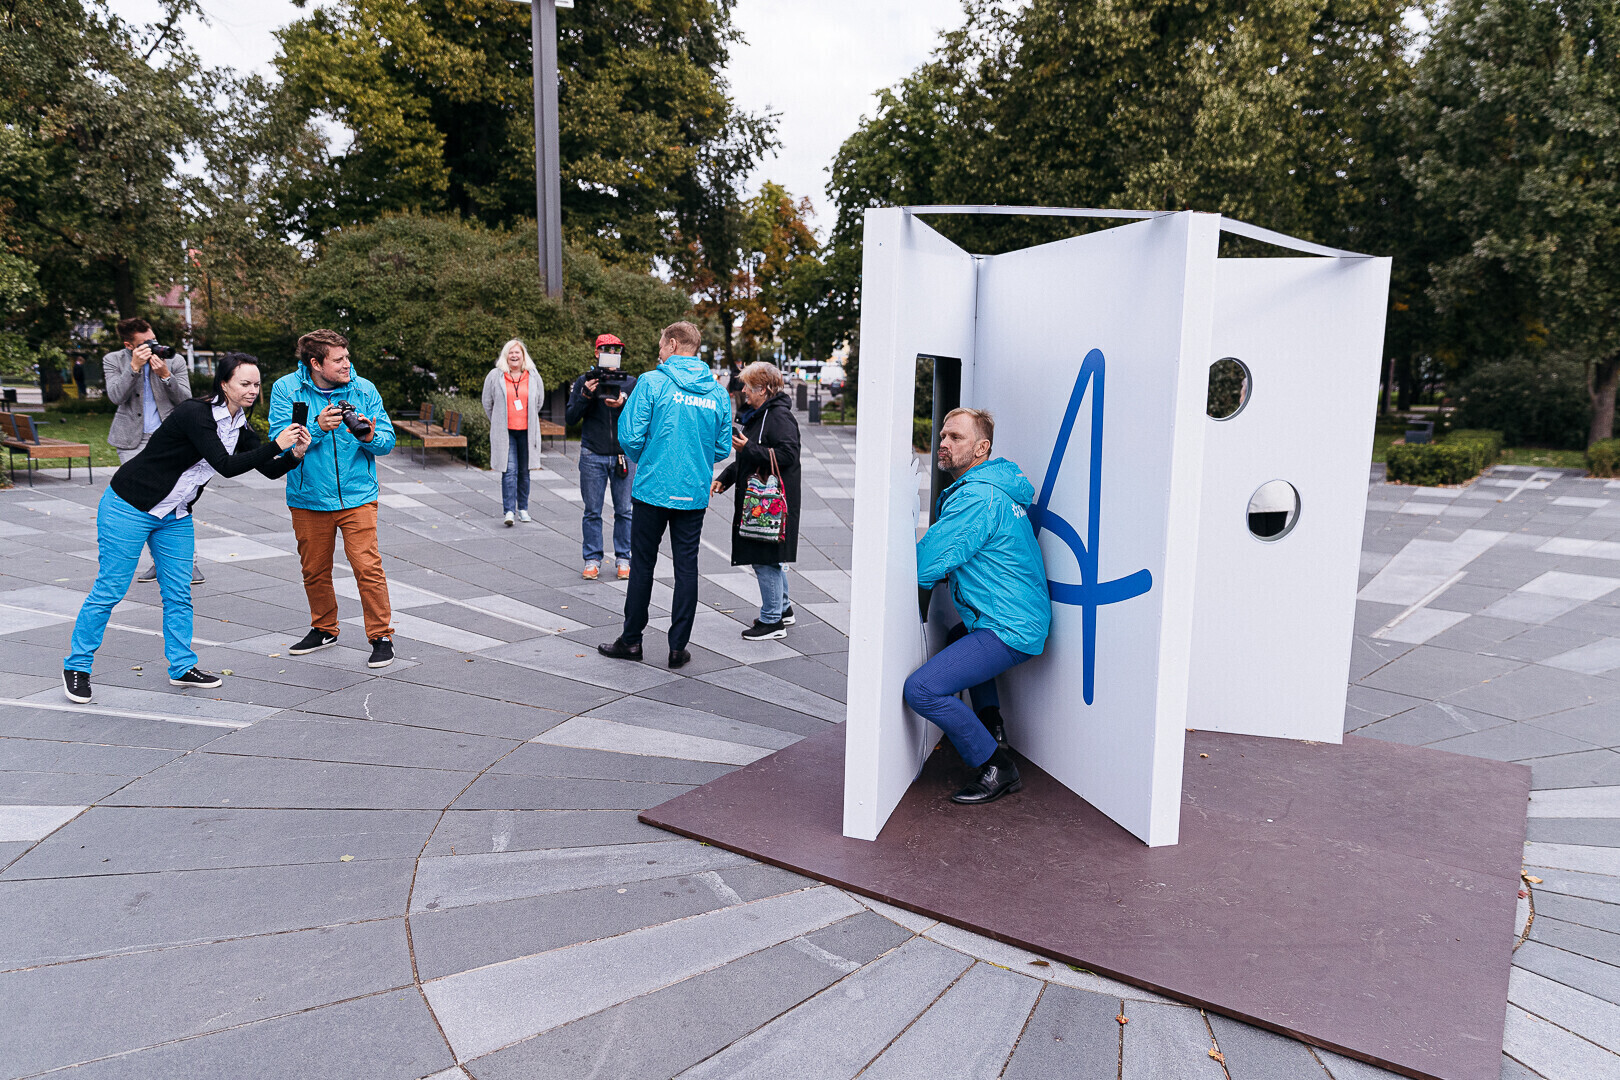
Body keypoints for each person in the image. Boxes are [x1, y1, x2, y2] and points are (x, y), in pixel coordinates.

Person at [62, 353, 310, 703]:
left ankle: (181, 667)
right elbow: (225, 465)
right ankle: (77, 666)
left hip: (175, 515)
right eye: (244, 383)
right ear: (224, 384)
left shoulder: (240, 425)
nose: (253, 390)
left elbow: (268, 470)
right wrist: (276, 445)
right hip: (129, 506)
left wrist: (294, 454)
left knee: (178, 593)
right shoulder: (196, 414)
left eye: (256, 384)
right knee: (110, 590)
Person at [902, 407, 1051, 805]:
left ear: (982, 448)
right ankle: (992, 728)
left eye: (956, 438)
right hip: (1019, 617)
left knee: (921, 690)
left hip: (1008, 626)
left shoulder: (977, 497)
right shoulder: (996, 489)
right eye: (943, 436)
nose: (944, 443)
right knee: (958, 636)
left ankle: (996, 766)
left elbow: (924, 564)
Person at [598, 321, 732, 668]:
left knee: (643, 564)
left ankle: (631, 641)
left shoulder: (652, 382)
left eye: (661, 344)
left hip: (653, 489)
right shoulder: (717, 393)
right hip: (693, 492)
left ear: (673, 344)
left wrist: (650, 457)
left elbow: (629, 435)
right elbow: (721, 447)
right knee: (687, 567)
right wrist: (695, 458)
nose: (659, 351)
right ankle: (677, 648)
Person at [267, 329, 399, 669]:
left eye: (347, 357)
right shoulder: (286, 389)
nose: (347, 364)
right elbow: (279, 441)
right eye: (338, 359)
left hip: (358, 496)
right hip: (308, 497)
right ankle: (324, 629)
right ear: (316, 363)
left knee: (367, 567)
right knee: (314, 570)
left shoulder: (363, 389)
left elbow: (387, 441)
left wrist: (370, 436)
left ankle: (381, 636)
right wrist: (318, 427)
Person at [103, 318, 203, 585]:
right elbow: (115, 396)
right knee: (142, 502)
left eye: (153, 340)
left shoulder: (174, 360)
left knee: (177, 499)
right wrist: (134, 368)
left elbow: (187, 401)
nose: (153, 346)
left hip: (169, 441)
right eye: (145, 343)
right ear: (129, 345)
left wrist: (166, 376)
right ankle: (159, 562)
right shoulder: (114, 360)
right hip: (132, 441)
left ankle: (188, 564)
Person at [712, 361, 801, 640]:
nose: (744, 391)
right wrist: (726, 477)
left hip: (770, 504)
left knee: (765, 559)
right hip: (765, 502)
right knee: (770, 557)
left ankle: (772, 621)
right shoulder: (762, 415)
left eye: (748, 387)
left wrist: (748, 447)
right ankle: (783, 609)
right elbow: (751, 457)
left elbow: (788, 455)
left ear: (763, 389)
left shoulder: (778, 417)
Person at [566, 333, 636, 579]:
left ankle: (624, 558)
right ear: (597, 353)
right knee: (592, 510)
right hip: (593, 452)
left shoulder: (630, 382)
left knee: (624, 510)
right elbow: (571, 418)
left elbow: (640, 417)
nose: (612, 354)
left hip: (622, 454)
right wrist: (585, 395)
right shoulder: (585, 381)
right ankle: (592, 559)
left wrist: (623, 401)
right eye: (607, 349)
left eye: (617, 350)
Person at [481, 339, 544, 526]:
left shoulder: (533, 375)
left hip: (527, 432)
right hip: (506, 432)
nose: (514, 356)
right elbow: (487, 402)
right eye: (511, 352)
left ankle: (523, 509)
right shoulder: (495, 376)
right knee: (509, 471)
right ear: (505, 355)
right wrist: (498, 421)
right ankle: (509, 511)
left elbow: (539, 401)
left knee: (524, 471)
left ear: (523, 356)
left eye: (518, 352)